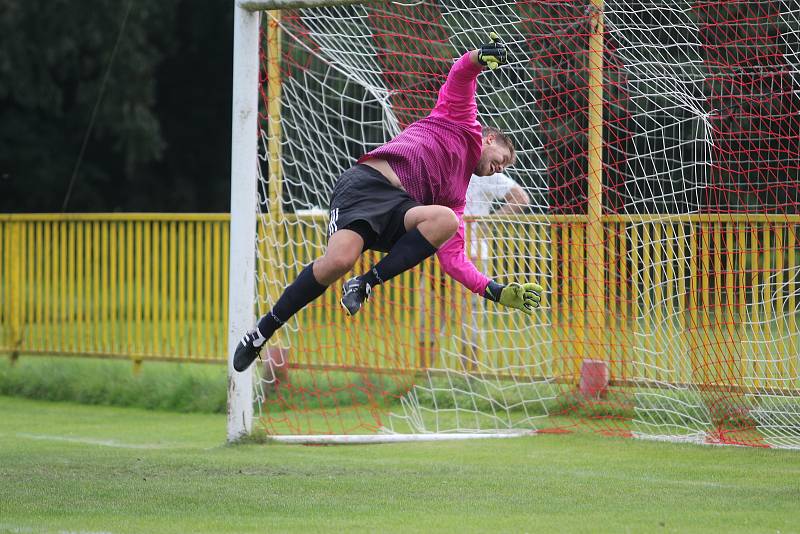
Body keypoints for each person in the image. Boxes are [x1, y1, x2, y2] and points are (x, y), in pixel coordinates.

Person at [233, 33, 543, 373]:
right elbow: (460, 74)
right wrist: (479, 57)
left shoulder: (456, 196)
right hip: (365, 187)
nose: (501, 167)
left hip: (399, 209)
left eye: (505, 168)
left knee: (448, 222)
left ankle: (366, 283)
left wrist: (495, 291)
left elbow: (455, 263)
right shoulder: (461, 119)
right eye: (503, 158)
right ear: (490, 138)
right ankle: (262, 332)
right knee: (338, 260)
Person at [419, 172, 531, 369]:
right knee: (429, 314)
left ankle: (468, 377)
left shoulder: (483, 172)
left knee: (468, 318)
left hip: (471, 254)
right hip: (435, 252)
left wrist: (488, 222)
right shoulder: (440, 166)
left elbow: (521, 197)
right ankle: (424, 375)